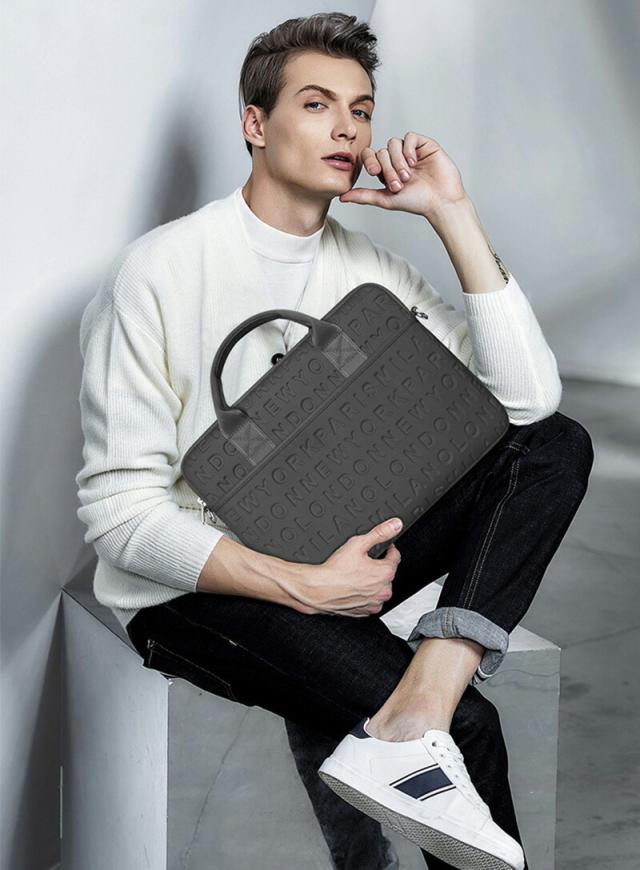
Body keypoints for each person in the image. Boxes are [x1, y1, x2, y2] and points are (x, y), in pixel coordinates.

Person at [74, 12, 594, 870]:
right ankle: (431, 720)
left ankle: (422, 703)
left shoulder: (374, 273)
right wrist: (306, 586)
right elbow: (120, 514)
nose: (348, 128)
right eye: (317, 104)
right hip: (197, 592)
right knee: (472, 729)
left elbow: (526, 406)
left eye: (361, 109)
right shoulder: (158, 272)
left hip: (338, 544)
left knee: (554, 444)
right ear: (255, 123)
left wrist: (452, 215)